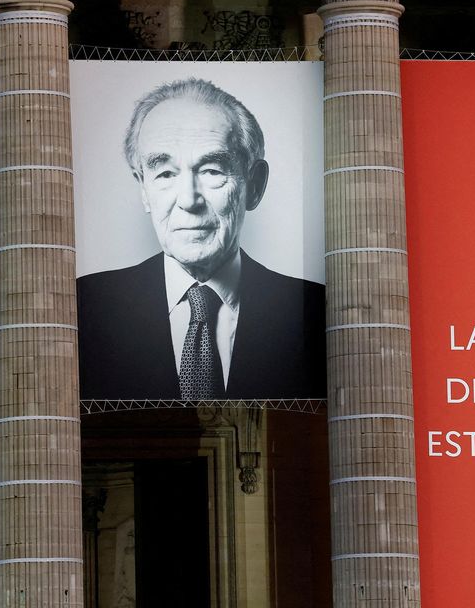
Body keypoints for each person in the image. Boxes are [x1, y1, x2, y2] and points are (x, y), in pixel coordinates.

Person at [77, 78, 325, 400]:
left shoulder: (317, 313)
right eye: (165, 173)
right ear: (144, 189)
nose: (189, 200)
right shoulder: (83, 309)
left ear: (254, 185)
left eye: (212, 170)